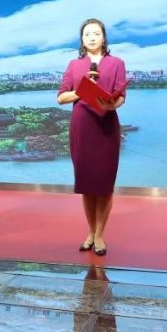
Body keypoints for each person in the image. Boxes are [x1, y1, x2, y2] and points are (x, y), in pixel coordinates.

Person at [57, 18, 127, 256]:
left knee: (104, 186)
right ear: (82, 40)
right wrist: (81, 91)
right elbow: (61, 97)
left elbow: (121, 96)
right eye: (87, 34)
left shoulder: (117, 63)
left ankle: (99, 235)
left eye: (96, 33)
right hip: (82, 126)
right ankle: (90, 231)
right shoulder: (74, 65)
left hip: (106, 125)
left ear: (104, 38)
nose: (92, 38)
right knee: (87, 185)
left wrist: (111, 104)